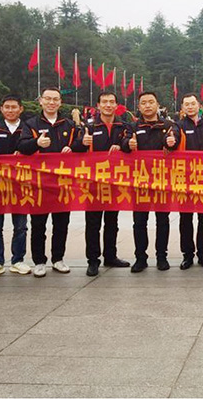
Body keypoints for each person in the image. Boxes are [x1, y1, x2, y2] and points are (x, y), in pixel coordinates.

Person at [17, 87, 86, 277]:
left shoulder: (69, 124)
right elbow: (22, 146)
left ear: (60, 102)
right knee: (38, 224)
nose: (51, 102)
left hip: (63, 183)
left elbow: (80, 145)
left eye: (55, 99)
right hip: (39, 183)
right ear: (40, 101)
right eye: (47, 99)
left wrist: (73, 148)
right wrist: (37, 143)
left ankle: (58, 258)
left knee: (61, 224)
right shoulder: (31, 124)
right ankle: (39, 261)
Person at [122, 91, 181, 273]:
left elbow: (175, 139)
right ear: (139, 107)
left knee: (162, 220)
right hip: (139, 181)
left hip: (162, 180)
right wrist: (128, 144)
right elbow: (124, 142)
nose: (147, 106)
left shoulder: (169, 125)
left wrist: (171, 142)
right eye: (144, 103)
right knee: (139, 221)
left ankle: (162, 257)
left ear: (157, 105)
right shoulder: (133, 126)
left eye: (151, 102)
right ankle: (140, 258)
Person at [79, 91, 132, 277]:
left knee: (112, 222)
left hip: (114, 182)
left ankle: (110, 256)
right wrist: (82, 142)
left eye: (111, 102)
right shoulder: (89, 126)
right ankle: (93, 260)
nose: (108, 105)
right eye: (104, 102)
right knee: (93, 223)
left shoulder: (123, 126)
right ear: (98, 105)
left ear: (117, 105)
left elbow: (129, 144)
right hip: (93, 183)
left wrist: (122, 146)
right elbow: (77, 148)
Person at [0, 95, 32, 278]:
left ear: (21, 109)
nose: (10, 110)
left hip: (20, 184)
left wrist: (24, 151)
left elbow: (33, 147)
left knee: (21, 226)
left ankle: (18, 260)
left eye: (14, 107)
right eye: (7, 107)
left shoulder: (27, 127)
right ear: (1, 109)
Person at [177, 93, 203, 269]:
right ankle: (187, 255)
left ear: (198, 105)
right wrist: (170, 142)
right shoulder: (179, 126)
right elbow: (171, 143)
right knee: (185, 218)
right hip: (185, 179)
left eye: (193, 103)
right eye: (187, 104)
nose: (190, 107)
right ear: (182, 108)